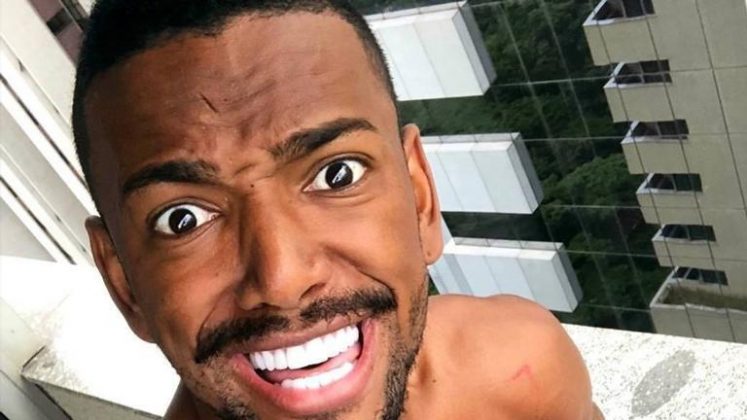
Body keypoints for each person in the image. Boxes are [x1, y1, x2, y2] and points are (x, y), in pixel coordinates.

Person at [73, 0, 604, 418]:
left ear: (420, 199)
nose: (283, 280)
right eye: (183, 219)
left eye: (337, 175)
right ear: (124, 284)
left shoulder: (523, 374)